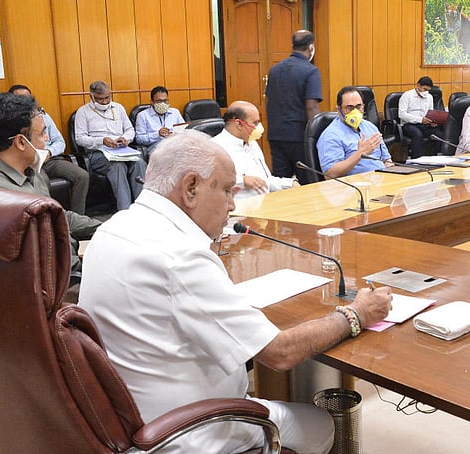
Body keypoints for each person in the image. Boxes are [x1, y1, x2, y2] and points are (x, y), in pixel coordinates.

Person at [78, 130, 392, 453]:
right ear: (191, 187)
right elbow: (280, 353)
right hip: (189, 430)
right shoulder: (180, 257)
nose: (232, 205)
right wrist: (357, 314)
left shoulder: (111, 229)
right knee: (321, 424)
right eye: (227, 191)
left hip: (130, 417)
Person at [0, 93, 101, 273]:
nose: (47, 139)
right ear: (20, 142)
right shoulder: (2, 197)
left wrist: (107, 228)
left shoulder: (27, 168)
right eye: (42, 134)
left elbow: (58, 216)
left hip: (65, 258)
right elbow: (51, 261)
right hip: (56, 276)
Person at [9, 84, 91, 215]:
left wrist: (49, 152)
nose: (25, 102)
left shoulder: (42, 116)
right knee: (42, 182)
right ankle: (48, 220)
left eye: (27, 98)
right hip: (30, 163)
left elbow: (60, 142)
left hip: (51, 159)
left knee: (82, 176)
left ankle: (77, 217)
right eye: (20, 99)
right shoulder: (9, 121)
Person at [74, 80, 146, 211]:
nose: (104, 102)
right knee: (117, 166)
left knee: (139, 162)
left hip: (121, 150)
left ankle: (143, 207)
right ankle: (125, 211)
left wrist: (125, 138)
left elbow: (130, 130)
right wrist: (102, 141)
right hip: (98, 153)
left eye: (107, 97)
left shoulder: (118, 108)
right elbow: (80, 139)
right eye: (100, 99)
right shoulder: (83, 112)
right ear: (91, 96)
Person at [265, 30, 322, 183]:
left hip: (276, 135)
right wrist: (316, 136)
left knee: (281, 183)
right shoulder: (311, 71)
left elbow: (268, 101)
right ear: (311, 47)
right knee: (308, 182)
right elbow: (312, 107)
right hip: (300, 137)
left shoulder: (275, 69)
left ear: (292, 46)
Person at [212, 100, 297, 197]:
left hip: (264, 201)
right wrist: (241, 180)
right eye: (255, 123)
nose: (259, 128)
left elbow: (265, 181)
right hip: (237, 204)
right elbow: (210, 184)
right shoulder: (215, 147)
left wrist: (289, 184)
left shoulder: (252, 142)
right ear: (239, 124)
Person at [318, 86, 393, 178]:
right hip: (354, 184)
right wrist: (360, 153)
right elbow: (330, 174)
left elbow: (387, 160)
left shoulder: (371, 127)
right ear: (339, 110)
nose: (355, 112)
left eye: (359, 107)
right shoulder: (330, 135)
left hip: (381, 180)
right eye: (349, 108)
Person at [135, 85, 185, 159]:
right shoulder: (142, 115)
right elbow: (139, 139)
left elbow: (184, 131)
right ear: (152, 102)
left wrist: (175, 134)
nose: (163, 104)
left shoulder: (175, 112)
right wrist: (157, 134)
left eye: (165, 101)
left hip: (175, 145)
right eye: (159, 101)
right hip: (156, 148)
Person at [398, 76, 442, 159]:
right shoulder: (407, 96)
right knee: (417, 134)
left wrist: (432, 121)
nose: (426, 92)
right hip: (408, 125)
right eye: (424, 89)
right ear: (418, 85)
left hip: (424, 124)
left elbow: (430, 112)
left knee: (438, 134)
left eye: (428, 90)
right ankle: (416, 160)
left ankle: (437, 157)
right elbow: (402, 114)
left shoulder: (429, 97)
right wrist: (420, 120)